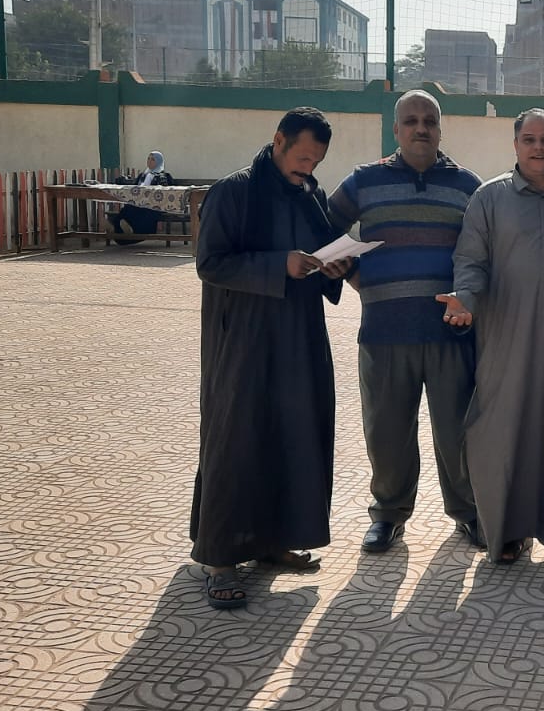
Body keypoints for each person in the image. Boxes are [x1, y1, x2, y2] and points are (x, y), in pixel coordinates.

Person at [191, 109, 356, 609]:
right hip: (243, 339)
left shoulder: (310, 195)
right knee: (237, 438)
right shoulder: (233, 192)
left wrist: (333, 267)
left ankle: (273, 540)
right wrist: (279, 263)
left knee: (294, 433)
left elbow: (320, 253)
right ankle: (220, 559)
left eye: (316, 162)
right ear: (279, 140)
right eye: (302, 157)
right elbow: (210, 263)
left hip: (300, 336)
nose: (308, 169)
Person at [438, 109, 544, 569]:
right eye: (529, 139)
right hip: (506, 338)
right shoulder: (488, 198)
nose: (538, 147)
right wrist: (465, 298)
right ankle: (508, 532)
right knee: (504, 431)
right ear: (515, 145)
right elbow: (471, 260)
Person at [329, 89, 486, 555]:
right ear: (395, 129)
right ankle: (388, 514)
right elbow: (323, 226)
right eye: (411, 121)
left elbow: (485, 250)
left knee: (458, 432)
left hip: (450, 333)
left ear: (440, 129)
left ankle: (470, 511)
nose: (421, 128)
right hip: (384, 331)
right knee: (387, 433)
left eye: (429, 121)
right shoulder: (364, 181)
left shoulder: (467, 186)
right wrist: (355, 275)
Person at [109, 150, 176, 243]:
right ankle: (118, 228)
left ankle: (131, 230)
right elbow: (135, 188)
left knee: (139, 210)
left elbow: (166, 192)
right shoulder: (143, 175)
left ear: (158, 162)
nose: (149, 161)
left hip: (154, 206)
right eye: (148, 159)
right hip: (140, 203)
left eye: (152, 159)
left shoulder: (164, 176)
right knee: (128, 207)